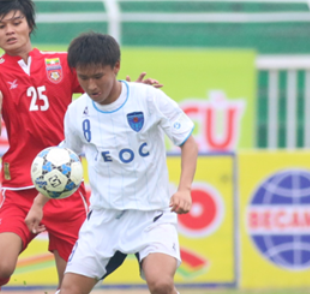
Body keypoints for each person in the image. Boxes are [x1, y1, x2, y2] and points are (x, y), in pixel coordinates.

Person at [0, 0, 160, 294]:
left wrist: (133, 93)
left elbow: (101, 89)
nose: (9, 30)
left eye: (16, 22)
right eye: (0, 26)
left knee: (72, 287)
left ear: (30, 25)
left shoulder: (60, 63)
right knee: (0, 267)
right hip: (21, 190)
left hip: (66, 190)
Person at [25, 32, 198, 294]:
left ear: (116, 67)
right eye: (83, 78)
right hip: (104, 218)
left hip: (151, 214)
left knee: (161, 283)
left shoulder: (148, 98)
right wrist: (38, 204)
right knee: (69, 290)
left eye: (98, 77)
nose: (91, 85)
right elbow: (64, 162)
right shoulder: (77, 112)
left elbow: (188, 142)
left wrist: (184, 189)